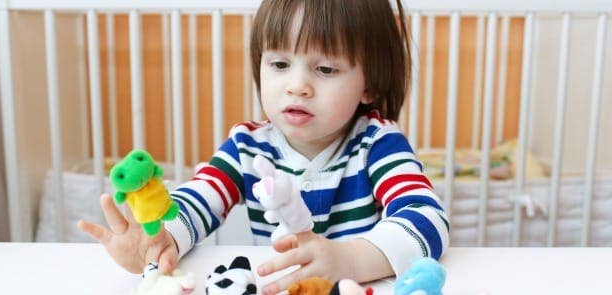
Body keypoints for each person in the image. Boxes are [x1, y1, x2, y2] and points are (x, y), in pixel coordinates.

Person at [78, 0, 449, 294]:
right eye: (280, 63)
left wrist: (348, 259)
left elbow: (427, 218)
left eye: (326, 70)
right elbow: (199, 199)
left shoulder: (378, 143)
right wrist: (162, 237)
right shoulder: (247, 146)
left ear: (369, 85)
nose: (297, 85)